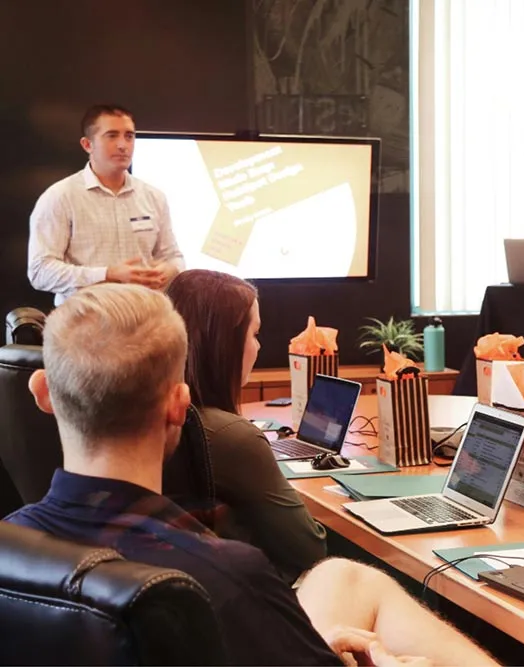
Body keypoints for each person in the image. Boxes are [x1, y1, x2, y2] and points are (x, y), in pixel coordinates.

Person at [4, 283, 495, 666]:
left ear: (43, 392)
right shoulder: (227, 576)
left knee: (341, 577)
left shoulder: (14, 545)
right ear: (178, 406)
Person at [166, 269, 327, 581]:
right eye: (254, 334)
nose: (259, 347)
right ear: (223, 344)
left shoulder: (156, 416)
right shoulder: (232, 436)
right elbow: (310, 550)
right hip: (258, 598)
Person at [27, 104, 184, 304]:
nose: (123, 145)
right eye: (112, 135)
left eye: (129, 136)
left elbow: (173, 256)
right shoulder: (60, 197)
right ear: (87, 145)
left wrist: (170, 269)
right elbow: (40, 271)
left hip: (146, 319)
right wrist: (107, 274)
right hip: (86, 322)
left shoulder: (154, 196)